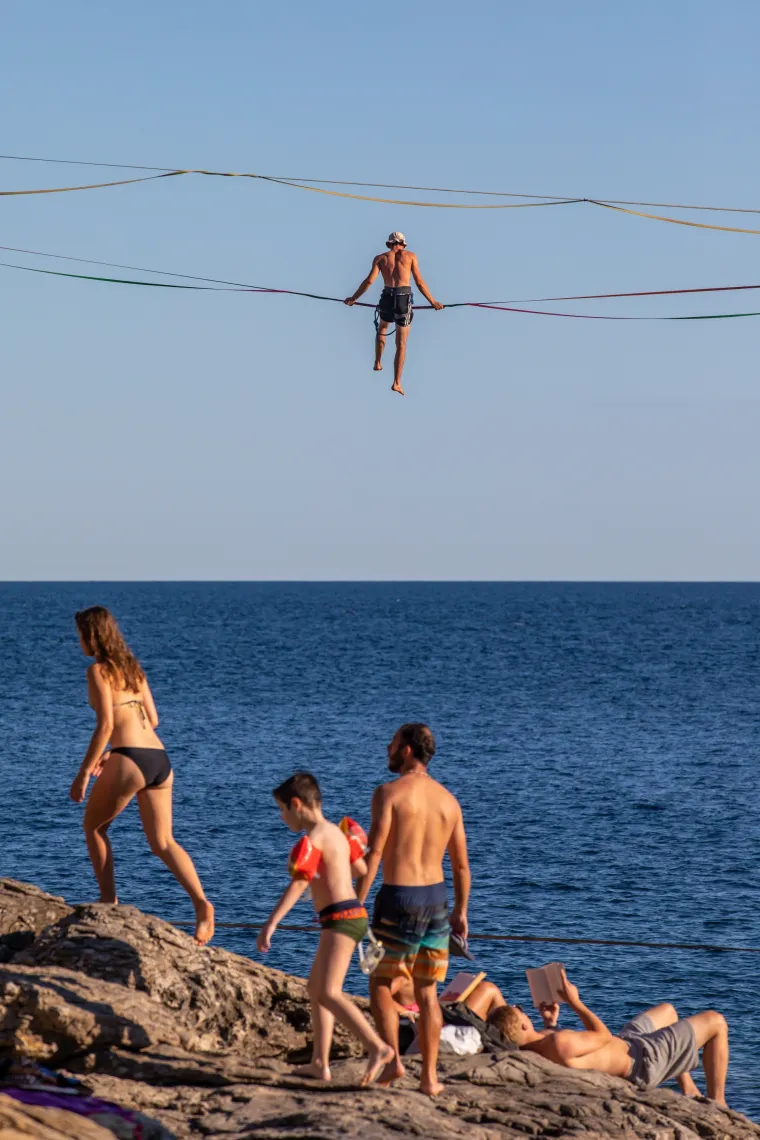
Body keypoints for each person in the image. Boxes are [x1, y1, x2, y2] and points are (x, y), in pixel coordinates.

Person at [70, 606, 214, 945]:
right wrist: (114, 751)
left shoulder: (97, 671)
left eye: (80, 636)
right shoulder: (133, 669)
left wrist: (84, 773)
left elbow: (106, 725)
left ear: (92, 636)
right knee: (163, 842)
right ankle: (202, 904)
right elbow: (154, 719)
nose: (78, 642)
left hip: (131, 758)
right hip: (158, 759)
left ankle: (108, 901)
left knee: (94, 827)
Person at [257, 772, 394, 1086]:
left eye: (282, 810)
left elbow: (300, 882)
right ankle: (320, 1063)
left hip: (342, 918)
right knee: (315, 989)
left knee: (330, 991)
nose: (282, 817)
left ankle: (377, 1047)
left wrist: (272, 923)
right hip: (346, 916)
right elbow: (360, 868)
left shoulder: (315, 838)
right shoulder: (336, 833)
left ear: (296, 805)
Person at [356, 723, 470, 1096]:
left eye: (392, 743)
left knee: (379, 983)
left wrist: (355, 902)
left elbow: (374, 853)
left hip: (398, 899)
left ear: (406, 750)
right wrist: (461, 912)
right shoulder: (449, 801)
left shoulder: (388, 793)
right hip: (436, 900)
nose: (387, 749)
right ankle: (429, 1078)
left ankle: (394, 1063)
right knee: (427, 992)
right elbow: (461, 867)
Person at [487, 969, 729, 1108]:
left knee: (668, 1011)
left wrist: (551, 1022)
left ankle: (688, 1089)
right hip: (642, 1061)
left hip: (628, 1042)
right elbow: (602, 1035)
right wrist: (575, 1002)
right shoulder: (559, 1044)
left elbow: (564, 1052)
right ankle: (718, 1102)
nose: (522, 1008)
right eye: (519, 1009)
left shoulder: (536, 1046)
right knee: (716, 1022)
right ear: (523, 1025)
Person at [343, 232, 444, 396]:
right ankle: (397, 383)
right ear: (403, 243)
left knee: (382, 328)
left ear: (389, 244)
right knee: (401, 343)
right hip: (403, 299)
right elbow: (419, 282)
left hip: (387, 298)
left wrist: (354, 298)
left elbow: (369, 281)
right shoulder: (411, 256)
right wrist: (433, 301)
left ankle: (377, 362)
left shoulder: (380, 258)